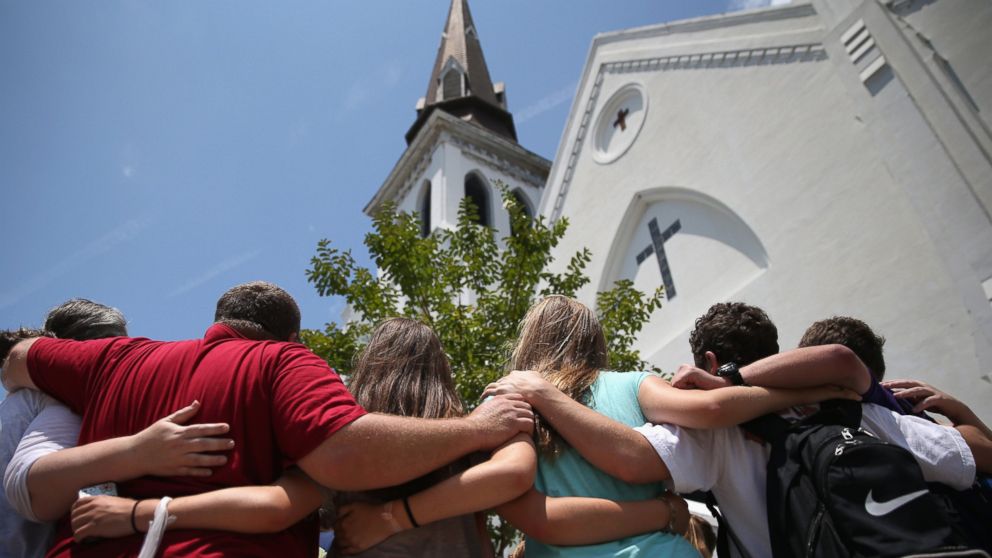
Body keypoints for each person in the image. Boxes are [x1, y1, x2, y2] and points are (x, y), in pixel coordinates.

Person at [0, 281, 533, 557]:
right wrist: (480, 428)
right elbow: (342, 455)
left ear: (216, 322)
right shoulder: (286, 363)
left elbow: (20, 357)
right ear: (292, 338)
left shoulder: (117, 358)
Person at [479, 295, 857, 557]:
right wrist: (807, 392)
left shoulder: (501, 404)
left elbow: (530, 513)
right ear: (596, 342)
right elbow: (710, 407)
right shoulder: (634, 384)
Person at [1, 300, 232, 558]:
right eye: (114, 348)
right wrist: (142, 452)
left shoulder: (23, 399)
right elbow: (25, 486)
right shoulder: (59, 400)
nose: (120, 359)